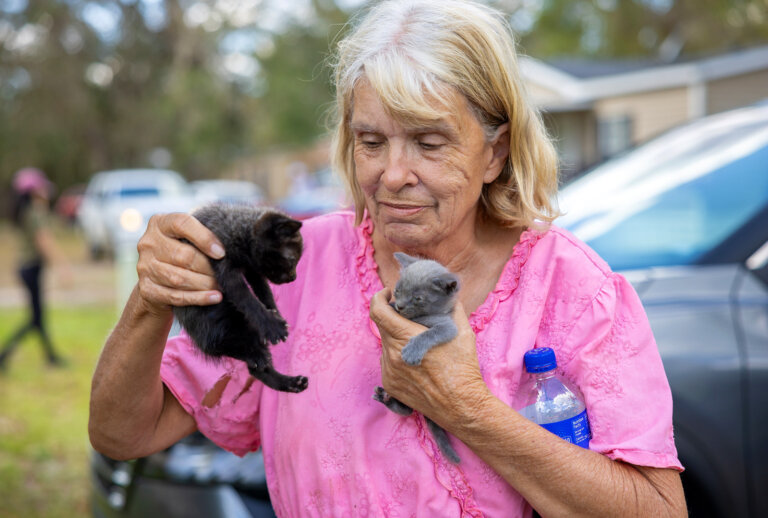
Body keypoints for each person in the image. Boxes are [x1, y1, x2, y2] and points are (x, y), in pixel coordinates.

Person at [89, 1, 687, 516]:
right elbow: (123, 432)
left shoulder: (571, 290)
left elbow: (658, 510)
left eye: (429, 143)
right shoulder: (298, 268)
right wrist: (151, 302)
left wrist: (467, 409)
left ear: (495, 154)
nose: (392, 174)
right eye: (371, 142)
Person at [0, 167, 70, 370]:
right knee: (35, 319)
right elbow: (44, 241)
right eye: (42, 188)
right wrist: (63, 266)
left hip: (28, 268)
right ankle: (4, 355)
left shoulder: (28, 211)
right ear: (33, 191)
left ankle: (51, 357)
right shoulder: (35, 213)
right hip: (30, 268)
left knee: (38, 318)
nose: (46, 192)